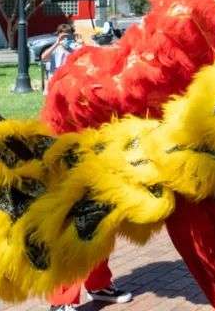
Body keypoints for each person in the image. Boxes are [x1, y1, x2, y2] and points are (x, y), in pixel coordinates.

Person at [43, 22, 133, 309]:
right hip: (70, 161)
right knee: (74, 230)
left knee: (103, 226)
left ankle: (99, 284)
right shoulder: (75, 76)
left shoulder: (115, 74)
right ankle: (62, 301)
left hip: (102, 161)